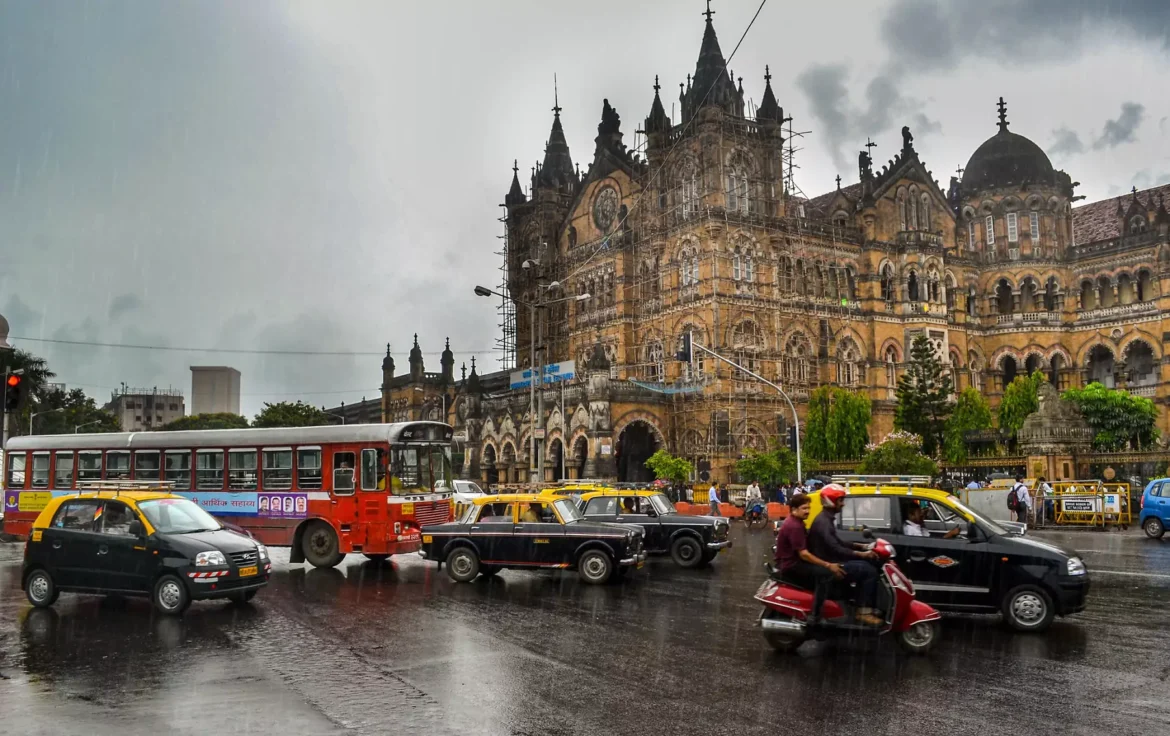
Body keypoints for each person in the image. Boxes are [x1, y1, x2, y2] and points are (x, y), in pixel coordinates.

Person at [806, 486, 883, 626]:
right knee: (869, 571)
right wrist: (861, 554)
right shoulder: (823, 522)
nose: (843, 504)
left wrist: (860, 546)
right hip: (830, 564)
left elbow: (838, 542)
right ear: (830, 501)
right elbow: (835, 548)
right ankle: (863, 612)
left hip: (831, 559)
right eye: (840, 500)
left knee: (868, 565)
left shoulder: (826, 519)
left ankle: (862, 604)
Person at [774, 493, 843, 624]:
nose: (808, 511)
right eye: (804, 508)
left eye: (808, 508)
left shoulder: (797, 522)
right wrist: (828, 565)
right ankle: (815, 615)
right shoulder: (794, 526)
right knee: (826, 574)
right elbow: (804, 554)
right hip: (791, 565)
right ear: (794, 509)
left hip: (792, 562)